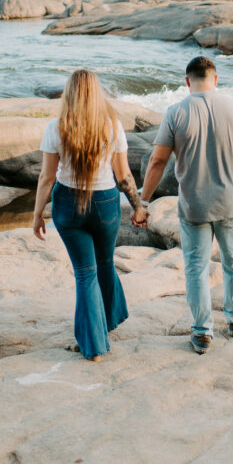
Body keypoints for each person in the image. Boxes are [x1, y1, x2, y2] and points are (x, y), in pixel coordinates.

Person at [140, 55, 233, 354]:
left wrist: (143, 200)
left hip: (194, 204)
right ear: (216, 79)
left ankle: (202, 332)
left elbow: (157, 160)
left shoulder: (175, 112)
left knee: (196, 268)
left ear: (187, 82)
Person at [33, 69, 149, 361]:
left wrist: (37, 215)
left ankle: (94, 344)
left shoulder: (56, 127)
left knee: (86, 274)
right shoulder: (112, 126)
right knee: (105, 263)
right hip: (106, 204)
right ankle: (107, 323)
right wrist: (137, 206)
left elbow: (47, 178)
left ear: (68, 94)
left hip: (68, 206)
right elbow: (123, 175)